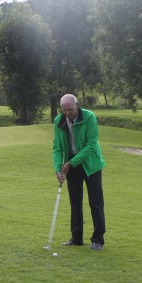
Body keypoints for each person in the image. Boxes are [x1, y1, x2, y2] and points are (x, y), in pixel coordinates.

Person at [52, 94, 106, 250]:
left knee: (95, 203)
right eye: (64, 110)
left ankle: (98, 240)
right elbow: (57, 147)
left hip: (91, 164)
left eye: (70, 109)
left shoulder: (89, 117)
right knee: (75, 203)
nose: (67, 113)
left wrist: (71, 163)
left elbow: (91, 145)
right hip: (72, 165)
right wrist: (58, 169)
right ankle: (76, 238)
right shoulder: (59, 121)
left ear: (77, 105)